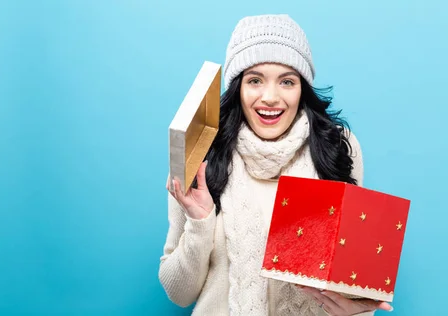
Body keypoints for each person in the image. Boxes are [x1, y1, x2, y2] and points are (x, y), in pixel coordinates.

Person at [159, 14, 394, 316]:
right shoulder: (202, 153)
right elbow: (179, 293)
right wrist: (200, 221)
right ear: (237, 88)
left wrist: (357, 309)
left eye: (286, 81)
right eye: (255, 80)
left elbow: (353, 283)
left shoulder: (336, 147)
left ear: (302, 89)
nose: (270, 98)